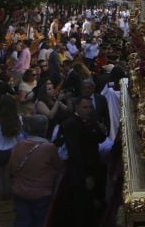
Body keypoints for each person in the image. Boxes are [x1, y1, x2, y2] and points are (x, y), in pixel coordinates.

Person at [61, 96, 108, 226]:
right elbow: (75, 153)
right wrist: (86, 176)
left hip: (93, 168)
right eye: (85, 107)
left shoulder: (91, 122)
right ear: (77, 108)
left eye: (90, 107)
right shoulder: (70, 124)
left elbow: (97, 140)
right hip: (80, 173)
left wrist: (102, 131)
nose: (88, 110)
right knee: (81, 208)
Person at [10, 114, 63, 227]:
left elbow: (12, 167)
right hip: (40, 193)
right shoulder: (49, 148)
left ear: (29, 128)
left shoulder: (19, 145)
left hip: (19, 190)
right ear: (45, 128)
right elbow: (58, 166)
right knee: (38, 222)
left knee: (22, 221)